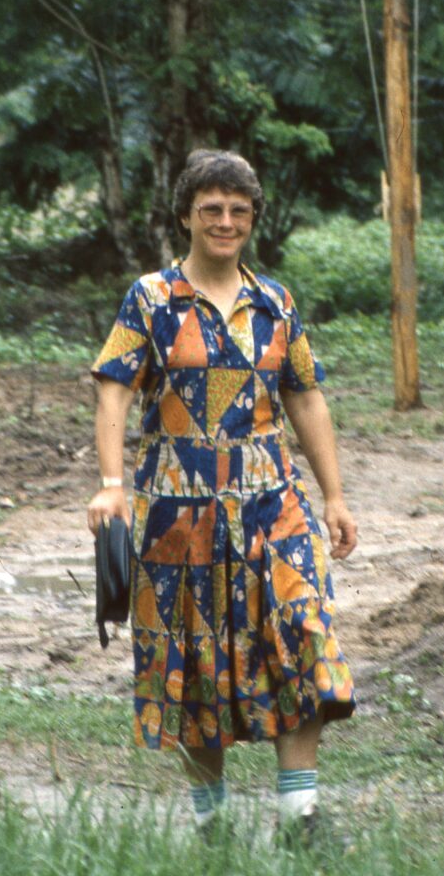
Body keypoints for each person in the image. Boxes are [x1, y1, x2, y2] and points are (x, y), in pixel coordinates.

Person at [87, 149, 357, 835]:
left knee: (301, 634)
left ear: (252, 218)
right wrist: (112, 486)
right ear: (186, 216)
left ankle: (301, 816)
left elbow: (306, 399)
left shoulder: (275, 303)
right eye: (211, 209)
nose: (225, 222)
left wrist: (334, 497)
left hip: (273, 506)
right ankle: (213, 828)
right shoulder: (150, 298)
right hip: (177, 514)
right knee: (193, 662)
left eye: (238, 210)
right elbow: (114, 390)